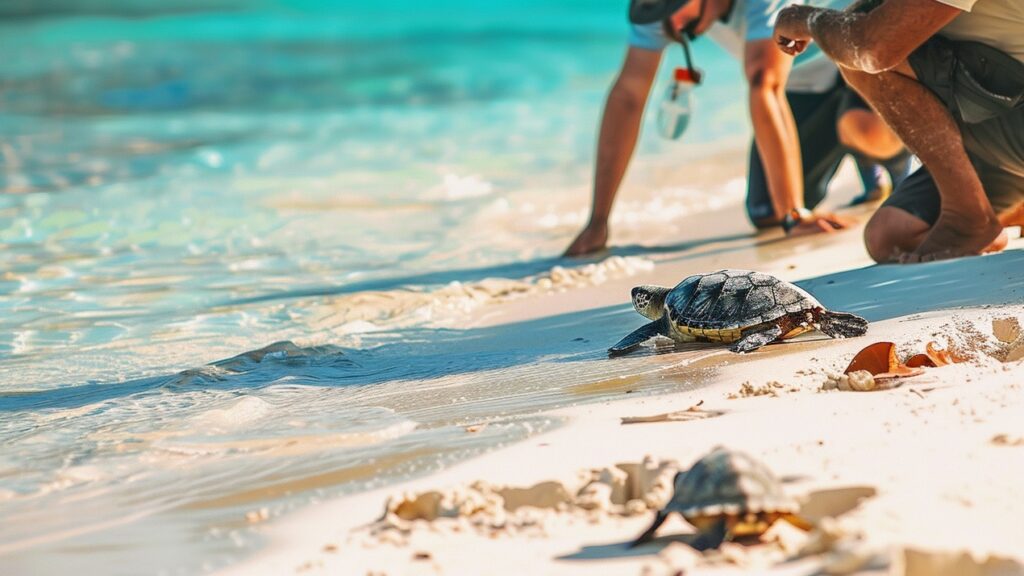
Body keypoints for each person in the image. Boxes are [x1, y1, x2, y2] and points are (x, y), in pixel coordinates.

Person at [564, 0, 910, 257]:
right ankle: (854, 147)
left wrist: (795, 213)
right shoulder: (663, 11)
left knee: (858, 127)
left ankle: (884, 162)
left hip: (864, 61)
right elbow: (627, 96)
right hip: (805, 86)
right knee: (766, 214)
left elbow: (764, 82)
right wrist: (598, 221)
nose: (668, 23)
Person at [774, 0, 1024, 263]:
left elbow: (873, 47)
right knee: (891, 235)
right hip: (1001, 119)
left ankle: (967, 217)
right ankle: (999, 210)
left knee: (857, 40)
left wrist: (805, 20)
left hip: (1009, 113)